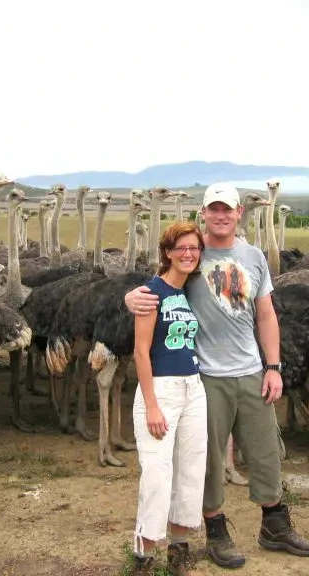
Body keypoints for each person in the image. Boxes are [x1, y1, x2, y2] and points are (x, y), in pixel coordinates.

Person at [125, 183, 309, 569]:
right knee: (209, 459)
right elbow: (157, 289)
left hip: (250, 370)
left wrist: (273, 366)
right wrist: (129, 297)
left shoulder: (253, 257)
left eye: (226, 210)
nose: (220, 216)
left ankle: (274, 525)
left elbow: (266, 314)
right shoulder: (192, 254)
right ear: (203, 214)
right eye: (213, 210)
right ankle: (215, 531)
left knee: (265, 450)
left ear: (238, 214)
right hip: (206, 375)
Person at [131, 220, 208, 576]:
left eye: (194, 248)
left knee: (191, 469)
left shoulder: (190, 291)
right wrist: (151, 405)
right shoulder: (151, 292)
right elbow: (141, 352)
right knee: (157, 473)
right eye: (181, 248)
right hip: (161, 388)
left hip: (193, 386)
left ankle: (179, 549)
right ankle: (144, 555)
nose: (188, 254)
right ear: (167, 252)